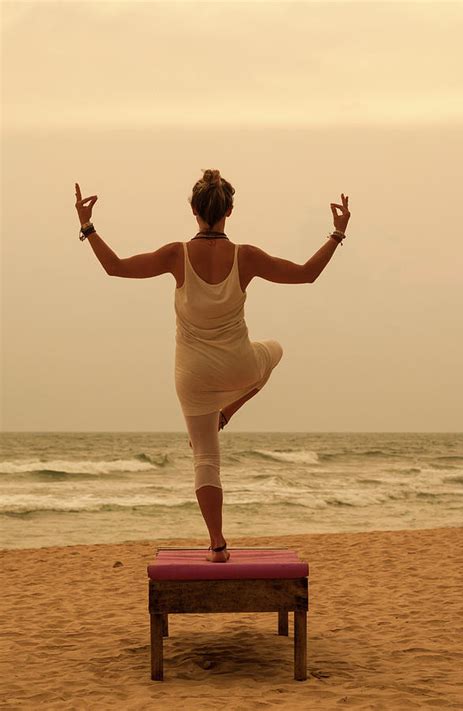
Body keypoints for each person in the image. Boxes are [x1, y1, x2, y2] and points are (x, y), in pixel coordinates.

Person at [75, 171, 351, 563]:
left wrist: (87, 225)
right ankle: (230, 409)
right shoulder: (246, 256)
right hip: (240, 366)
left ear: (193, 210)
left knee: (205, 457)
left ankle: (217, 544)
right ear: (230, 211)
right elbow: (307, 274)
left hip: (192, 376)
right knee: (274, 351)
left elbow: (115, 267)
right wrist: (337, 234)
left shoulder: (177, 255)